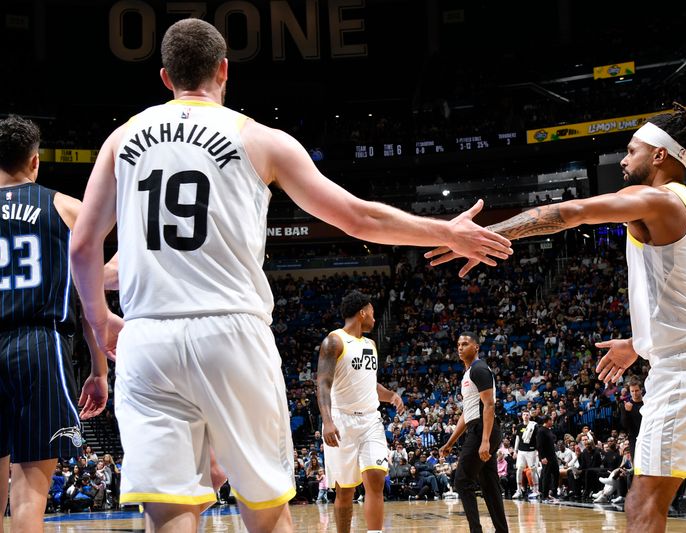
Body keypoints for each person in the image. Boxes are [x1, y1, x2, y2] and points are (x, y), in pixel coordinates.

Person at [68, 18, 511, 533]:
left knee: (169, 512)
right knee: (265, 511)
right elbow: (357, 216)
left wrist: (101, 323)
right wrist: (446, 233)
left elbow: (83, 248)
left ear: (165, 77)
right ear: (224, 70)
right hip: (231, 334)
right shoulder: (258, 138)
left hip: (148, 338)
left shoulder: (122, 140)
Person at [428, 103, 686, 532]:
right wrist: (639, 343)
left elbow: (566, 214)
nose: (624, 160)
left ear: (661, 156)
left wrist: (483, 236)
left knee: (643, 502)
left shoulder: (654, 198)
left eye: (632, 150)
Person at [0, 115, 115, 533]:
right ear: (34, 161)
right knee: (30, 490)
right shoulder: (65, 207)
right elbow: (89, 295)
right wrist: (98, 369)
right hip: (39, 345)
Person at [316, 290, 404, 533]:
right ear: (362, 312)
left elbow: (368, 383)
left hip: (371, 421)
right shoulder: (334, 341)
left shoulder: (371, 344)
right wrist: (327, 421)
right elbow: (323, 383)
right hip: (341, 422)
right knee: (345, 491)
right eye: (373, 314)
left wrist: (390, 395)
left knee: (376, 478)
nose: (375, 320)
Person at [440, 332, 509, 533]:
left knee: (462, 481)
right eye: (458, 344)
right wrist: (451, 442)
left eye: (465, 344)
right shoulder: (468, 373)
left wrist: (485, 440)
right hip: (478, 427)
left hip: (483, 429)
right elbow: (467, 413)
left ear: (476, 347)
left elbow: (489, 405)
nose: (460, 348)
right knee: (489, 484)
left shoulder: (479, 369)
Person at [511, 410, 538, 499]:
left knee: (533, 470)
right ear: (522, 416)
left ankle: (535, 490)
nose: (526, 416)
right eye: (524, 415)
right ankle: (519, 490)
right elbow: (517, 439)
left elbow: (537, 438)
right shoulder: (519, 426)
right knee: (519, 469)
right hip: (521, 451)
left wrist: (537, 450)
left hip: (531, 451)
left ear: (529, 416)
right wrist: (515, 451)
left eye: (527, 415)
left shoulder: (534, 426)